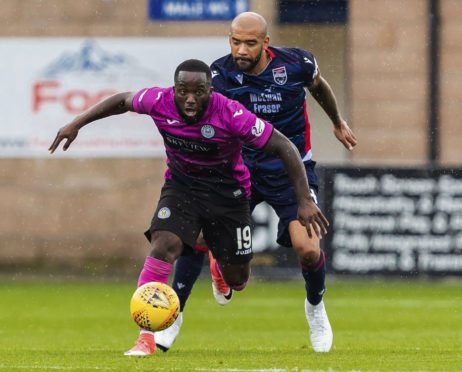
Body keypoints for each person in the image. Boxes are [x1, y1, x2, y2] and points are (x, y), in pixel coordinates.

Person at [48, 59, 329, 356]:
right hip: (182, 187)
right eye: (183, 90)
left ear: (211, 90)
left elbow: (283, 145)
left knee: (238, 278)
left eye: (199, 91)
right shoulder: (158, 100)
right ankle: (145, 337)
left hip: (229, 195)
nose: (191, 98)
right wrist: (75, 123)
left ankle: (218, 264)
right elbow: (121, 101)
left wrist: (304, 200)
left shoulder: (231, 113)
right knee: (163, 245)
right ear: (174, 89)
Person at [154, 13, 357, 353]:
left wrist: (337, 121)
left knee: (308, 249)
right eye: (235, 42)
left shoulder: (298, 64)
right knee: (198, 235)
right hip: (238, 170)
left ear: (266, 42)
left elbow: (318, 86)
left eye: (250, 43)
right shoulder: (217, 76)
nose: (241, 50)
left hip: (291, 170)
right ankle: (174, 317)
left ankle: (315, 309)